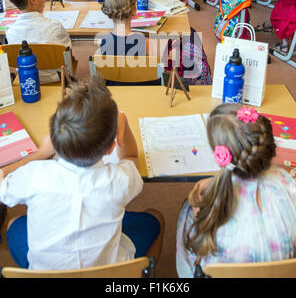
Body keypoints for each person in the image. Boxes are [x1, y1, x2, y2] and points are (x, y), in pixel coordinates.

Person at [0, 76, 162, 270]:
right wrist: (123, 123)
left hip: (45, 274)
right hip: (107, 273)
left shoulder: (35, 175)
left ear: (55, 138)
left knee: (14, 223)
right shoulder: (119, 180)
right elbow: (131, 157)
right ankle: (143, 274)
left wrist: (40, 153)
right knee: (155, 217)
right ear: (110, 147)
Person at [176, 103, 296, 278]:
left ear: (220, 156)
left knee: (188, 207)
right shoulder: (287, 183)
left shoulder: (206, 196)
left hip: (213, 272)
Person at [5, 0, 72, 84]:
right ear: (33, 0)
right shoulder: (55, 26)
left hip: (25, 78)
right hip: (56, 77)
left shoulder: (10, 31)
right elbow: (67, 51)